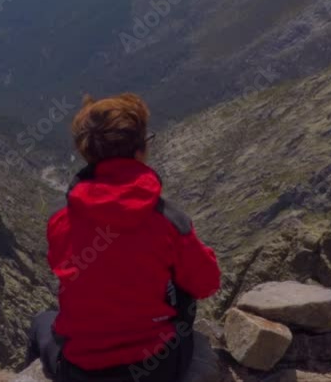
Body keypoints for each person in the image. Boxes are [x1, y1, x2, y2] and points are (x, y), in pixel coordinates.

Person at [27, 93, 222, 382]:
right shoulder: (169, 220)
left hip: (80, 371)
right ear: (140, 149)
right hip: (157, 368)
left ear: (86, 153)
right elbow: (207, 283)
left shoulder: (60, 220)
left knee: (42, 322)